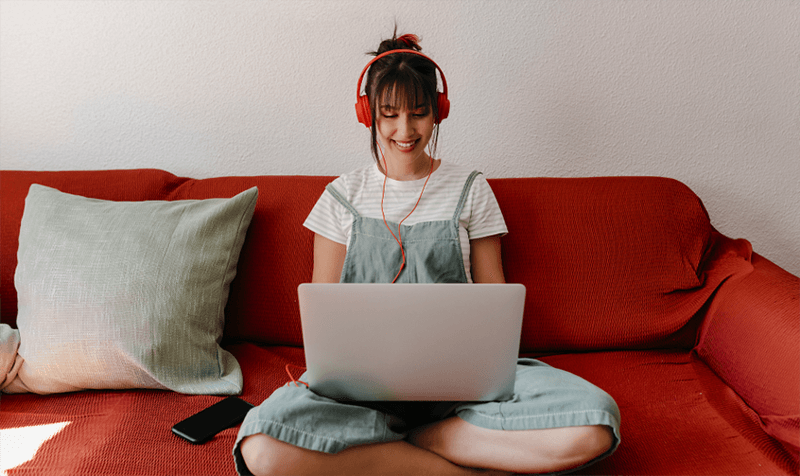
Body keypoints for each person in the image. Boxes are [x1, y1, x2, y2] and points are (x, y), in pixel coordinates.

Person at [233, 31, 621, 476]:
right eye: (390, 114)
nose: (405, 130)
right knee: (262, 449)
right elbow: (324, 318)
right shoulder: (341, 196)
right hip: (359, 393)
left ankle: (418, 440)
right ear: (367, 115)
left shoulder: (471, 189)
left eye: (419, 114)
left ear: (439, 112)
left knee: (595, 426)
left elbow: (494, 304)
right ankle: (453, 464)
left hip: (462, 389)